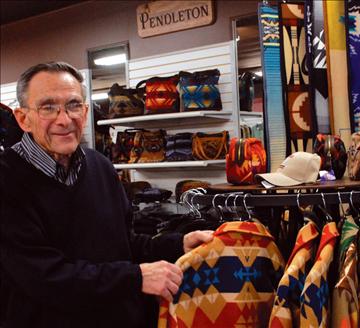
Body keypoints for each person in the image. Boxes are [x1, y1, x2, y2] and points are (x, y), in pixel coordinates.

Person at [0, 62, 213, 328]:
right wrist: (134, 278)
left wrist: (178, 244)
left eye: (73, 105)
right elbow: (43, 277)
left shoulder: (100, 166)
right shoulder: (7, 181)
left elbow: (123, 244)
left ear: (86, 111)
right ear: (23, 119)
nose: (64, 119)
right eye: (48, 107)